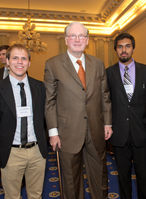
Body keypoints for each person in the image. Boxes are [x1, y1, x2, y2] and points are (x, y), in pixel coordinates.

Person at [44, 22, 113, 199]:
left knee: (100, 177)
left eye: (81, 36)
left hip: (96, 130)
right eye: (72, 36)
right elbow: (49, 101)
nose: (77, 39)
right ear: (66, 40)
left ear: (87, 40)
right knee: (70, 182)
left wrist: (108, 123)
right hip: (67, 133)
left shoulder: (98, 63)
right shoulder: (52, 64)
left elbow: (104, 95)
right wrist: (53, 132)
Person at [0, 44, 48, 199]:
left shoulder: (40, 87)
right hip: (12, 152)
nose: (19, 62)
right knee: (12, 196)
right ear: (7, 61)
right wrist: (3, 146)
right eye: (15, 58)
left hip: (37, 152)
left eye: (24, 58)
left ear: (29, 62)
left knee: (36, 195)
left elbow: (45, 117)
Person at [106, 33, 146, 199]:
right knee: (123, 176)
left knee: (144, 176)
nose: (123, 50)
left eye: (127, 46)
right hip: (119, 135)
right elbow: (106, 103)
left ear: (133, 48)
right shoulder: (107, 73)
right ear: (116, 50)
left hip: (141, 133)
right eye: (120, 47)